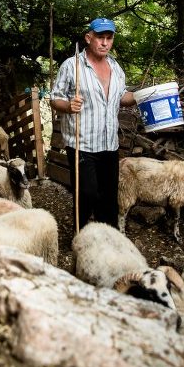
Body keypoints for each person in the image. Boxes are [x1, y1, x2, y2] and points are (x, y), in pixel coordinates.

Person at [50, 17, 136, 230]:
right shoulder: (72, 66)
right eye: (100, 37)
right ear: (89, 38)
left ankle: (106, 237)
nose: (105, 42)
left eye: (109, 38)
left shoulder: (116, 67)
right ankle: (81, 234)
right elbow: (54, 98)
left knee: (108, 196)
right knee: (87, 193)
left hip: (109, 144)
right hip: (83, 144)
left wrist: (141, 97)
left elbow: (122, 97)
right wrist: (69, 106)